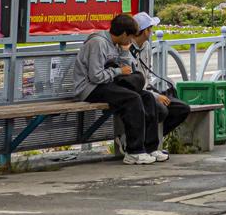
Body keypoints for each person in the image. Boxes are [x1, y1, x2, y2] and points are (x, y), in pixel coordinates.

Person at [65, 14, 163, 165]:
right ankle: (133, 151)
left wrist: (124, 52)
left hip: (107, 84)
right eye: (130, 36)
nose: (131, 40)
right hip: (90, 88)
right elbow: (96, 76)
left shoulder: (116, 45)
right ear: (124, 33)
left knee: (147, 97)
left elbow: (126, 70)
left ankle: (150, 147)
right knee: (132, 98)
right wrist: (118, 72)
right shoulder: (98, 43)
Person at [130, 11, 192, 150]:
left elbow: (147, 72)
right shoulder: (127, 49)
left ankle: (149, 139)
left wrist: (152, 89)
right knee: (161, 110)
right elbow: (131, 85)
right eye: (151, 29)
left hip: (148, 90)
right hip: (137, 94)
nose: (151, 32)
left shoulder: (145, 46)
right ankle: (142, 143)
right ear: (146, 31)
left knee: (182, 109)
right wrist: (155, 96)